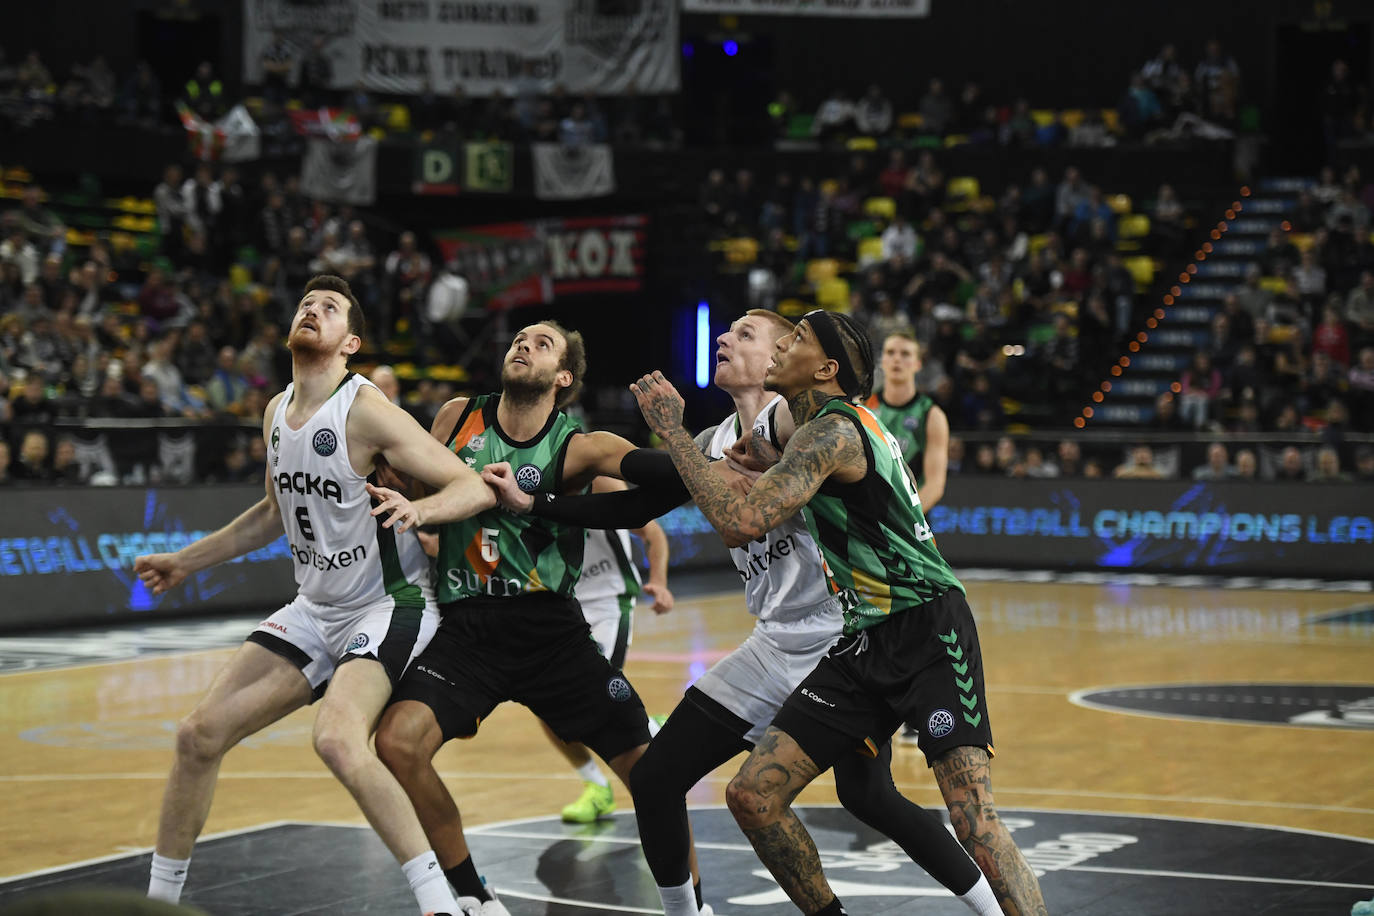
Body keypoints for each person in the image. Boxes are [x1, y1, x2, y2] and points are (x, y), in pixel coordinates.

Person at [484, 309, 1002, 915]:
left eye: (745, 334)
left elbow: (742, 519)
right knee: (656, 778)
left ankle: (992, 907)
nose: (725, 339)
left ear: (783, 357)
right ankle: (688, 912)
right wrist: (536, 502)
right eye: (726, 332)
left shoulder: (799, 423)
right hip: (774, 642)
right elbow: (636, 507)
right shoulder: (712, 440)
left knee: (869, 797)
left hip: (841, 642)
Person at [626, 310, 1046, 915]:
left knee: (973, 821)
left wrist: (671, 431)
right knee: (753, 796)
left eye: (794, 339)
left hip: (928, 628)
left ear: (823, 369)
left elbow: (740, 522)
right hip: (860, 637)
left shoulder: (832, 432)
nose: (780, 345)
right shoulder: (803, 432)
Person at [134, 275, 498, 916]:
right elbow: (272, 513)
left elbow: (474, 488)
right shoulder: (277, 411)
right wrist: (184, 562)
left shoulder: (366, 409)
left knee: (336, 740)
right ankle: (159, 905)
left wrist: (420, 509)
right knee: (197, 736)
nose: (312, 310)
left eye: (329, 308)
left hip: (388, 604)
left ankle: (437, 903)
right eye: (306, 303)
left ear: (349, 342)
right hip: (314, 608)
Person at [372, 321, 703, 916]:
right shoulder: (455, 416)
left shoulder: (580, 446)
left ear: (564, 377)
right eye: (519, 338)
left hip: (552, 634)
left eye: (541, 344)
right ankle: (474, 898)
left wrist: (675, 435)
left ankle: (690, 908)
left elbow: (667, 481)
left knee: (652, 774)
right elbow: (418, 486)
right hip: (468, 630)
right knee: (396, 742)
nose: (523, 345)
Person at [555, 476, 674, 824]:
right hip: (566, 605)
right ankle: (597, 786)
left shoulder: (601, 484)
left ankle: (652, 741)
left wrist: (661, 583)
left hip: (610, 601)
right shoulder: (531, 482)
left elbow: (654, 534)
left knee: (591, 696)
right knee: (547, 704)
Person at [863, 330, 951, 745]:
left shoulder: (931, 414)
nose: (897, 360)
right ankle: (879, 705)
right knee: (876, 620)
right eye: (891, 353)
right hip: (868, 532)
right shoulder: (865, 409)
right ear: (882, 361)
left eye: (905, 354)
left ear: (918, 363)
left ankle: (920, 710)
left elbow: (935, 483)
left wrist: (907, 517)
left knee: (921, 624)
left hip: (910, 532)